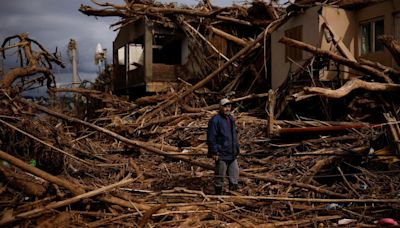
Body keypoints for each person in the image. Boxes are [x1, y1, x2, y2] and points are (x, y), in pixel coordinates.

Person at [207, 98, 240, 195]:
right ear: (220, 107)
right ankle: (218, 197)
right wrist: (214, 152)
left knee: (234, 175)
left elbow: (234, 135)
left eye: (229, 106)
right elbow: (211, 137)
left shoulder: (231, 119)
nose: (227, 108)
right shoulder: (215, 120)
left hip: (232, 153)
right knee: (220, 176)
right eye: (225, 106)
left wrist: (236, 149)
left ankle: (232, 196)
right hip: (221, 154)